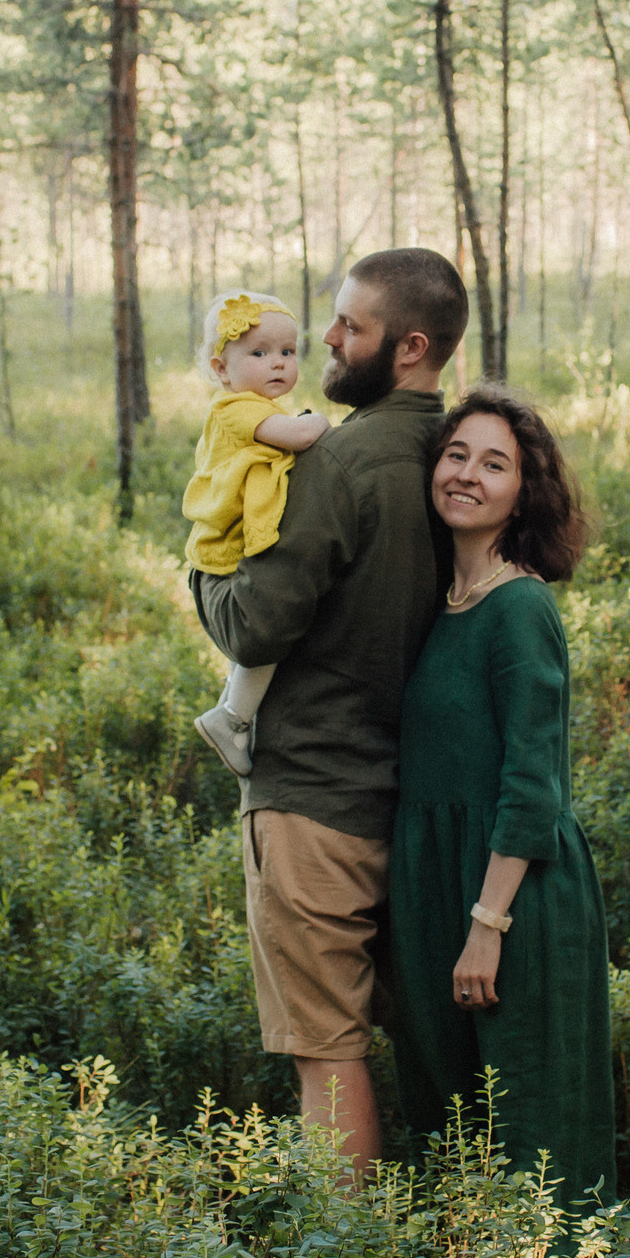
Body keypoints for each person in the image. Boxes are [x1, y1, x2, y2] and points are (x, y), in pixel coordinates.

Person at [190, 247, 468, 1187]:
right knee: (433, 1040)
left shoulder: (342, 462)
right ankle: (463, 1224)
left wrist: (201, 568)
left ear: (410, 345)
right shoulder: (463, 456)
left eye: (350, 325)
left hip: (316, 802)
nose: (329, 340)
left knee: (329, 1048)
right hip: (426, 803)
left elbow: (256, 617)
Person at [389, 386, 615, 1208]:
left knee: (529, 1119)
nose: (468, 476)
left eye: (495, 464)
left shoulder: (520, 608)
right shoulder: (434, 603)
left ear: (525, 491)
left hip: (512, 895)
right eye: (456, 456)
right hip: (434, 885)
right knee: (448, 1115)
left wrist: (487, 927)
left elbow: (533, 784)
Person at [181, 291, 331, 776]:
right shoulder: (236, 409)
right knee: (268, 631)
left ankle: (232, 714)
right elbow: (302, 437)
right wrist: (321, 420)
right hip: (223, 556)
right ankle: (231, 718)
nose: (278, 364)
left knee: (264, 633)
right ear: (221, 369)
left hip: (232, 551)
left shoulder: (256, 408)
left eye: (287, 353)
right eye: (259, 353)